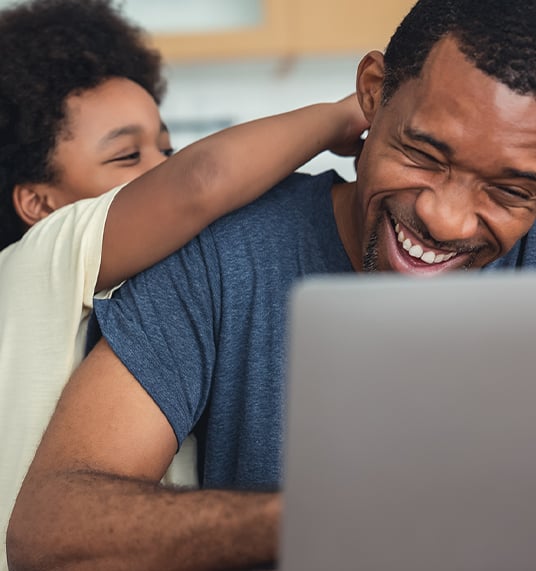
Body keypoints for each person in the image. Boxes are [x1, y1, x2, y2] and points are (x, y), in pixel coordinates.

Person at [8, 0, 536, 569]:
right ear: (373, 93)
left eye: (510, 190)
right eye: (424, 154)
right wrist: (323, 518)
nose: (448, 220)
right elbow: (51, 530)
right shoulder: (206, 255)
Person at [0, 0, 367, 568]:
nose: (159, 168)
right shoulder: (42, 256)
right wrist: (341, 117)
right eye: (127, 155)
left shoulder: (137, 289)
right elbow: (202, 180)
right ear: (38, 202)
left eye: (166, 149)